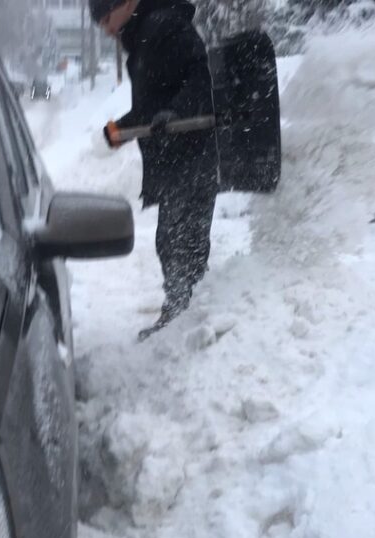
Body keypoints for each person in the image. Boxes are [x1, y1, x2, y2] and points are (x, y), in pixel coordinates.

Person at [91, 0, 218, 338]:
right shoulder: (141, 39)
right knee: (171, 241)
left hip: (192, 157)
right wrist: (119, 130)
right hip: (175, 161)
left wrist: (176, 112)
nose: (104, 28)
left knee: (183, 242)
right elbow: (150, 108)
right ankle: (181, 313)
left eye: (105, 17)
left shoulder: (164, 26)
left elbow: (198, 76)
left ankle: (186, 317)